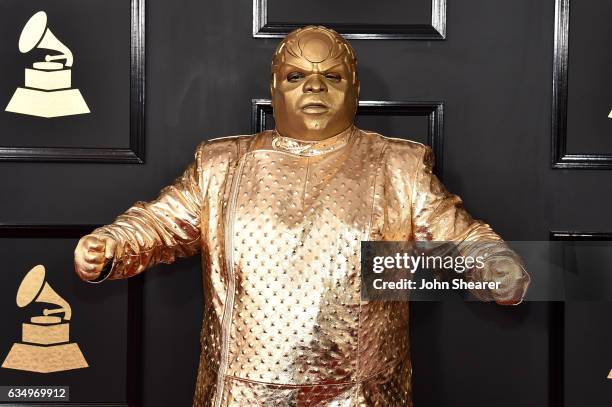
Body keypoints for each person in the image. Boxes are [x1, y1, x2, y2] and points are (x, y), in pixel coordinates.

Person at [74, 25, 530, 406]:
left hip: (360, 394)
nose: (315, 87)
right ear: (274, 90)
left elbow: (455, 235)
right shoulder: (221, 164)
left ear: (354, 90)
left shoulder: (397, 165)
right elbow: (160, 223)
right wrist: (113, 245)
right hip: (240, 391)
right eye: (296, 77)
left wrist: (493, 266)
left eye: (331, 77)